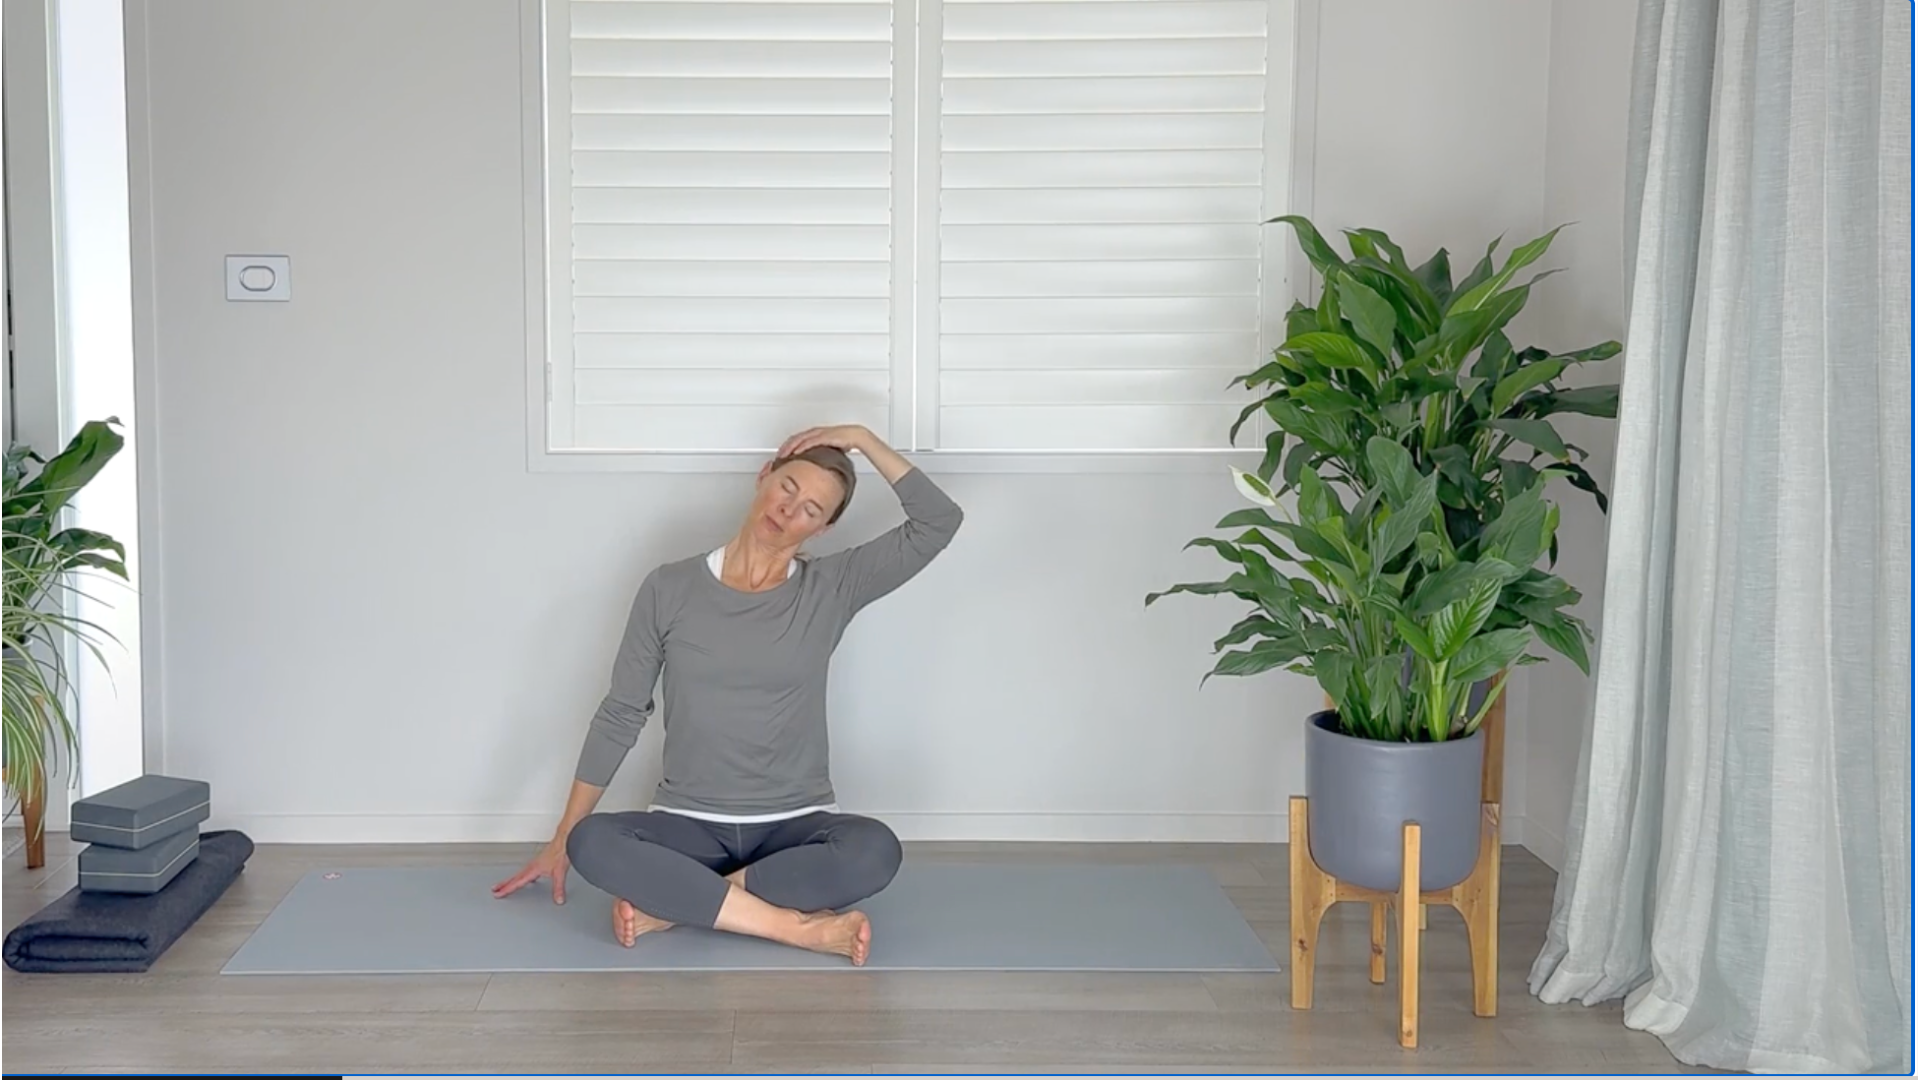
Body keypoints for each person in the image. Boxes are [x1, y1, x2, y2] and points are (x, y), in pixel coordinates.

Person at [492, 424, 963, 966]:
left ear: (825, 528)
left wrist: (859, 435)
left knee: (875, 851)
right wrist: (560, 837)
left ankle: (675, 906)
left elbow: (938, 521)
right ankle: (795, 929)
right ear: (764, 476)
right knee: (591, 842)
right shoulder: (668, 587)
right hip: (688, 825)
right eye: (788, 488)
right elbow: (622, 713)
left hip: (797, 825)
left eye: (812, 509)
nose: (790, 510)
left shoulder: (834, 587)